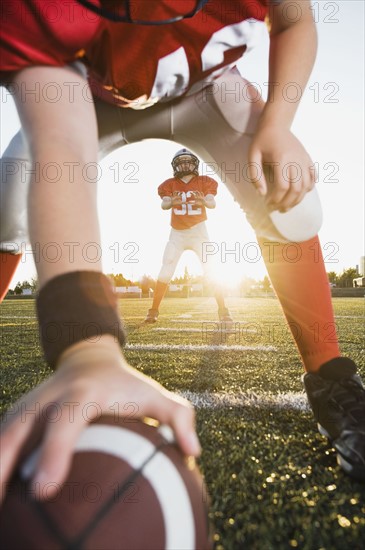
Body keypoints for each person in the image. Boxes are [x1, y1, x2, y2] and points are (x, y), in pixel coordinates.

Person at [0, 0, 364, 501]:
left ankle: (331, 380)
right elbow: (62, 148)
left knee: (291, 202)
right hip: (83, 95)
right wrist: (86, 346)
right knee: (9, 197)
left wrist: (278, 122)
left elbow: (295, 18)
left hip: (206, 90)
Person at [145, 148, 233, 323]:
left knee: (212, 269)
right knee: (166, 268)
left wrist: (204, 200)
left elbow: (212, 203)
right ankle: (153, 311)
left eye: (188, 161)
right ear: (176, 165)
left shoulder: (205, 181)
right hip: (177, 233)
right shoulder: (169, 184)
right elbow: (164, 205)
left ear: (194, 164)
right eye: (182, 161)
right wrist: (171, 201)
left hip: (199, 231)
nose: (185, 164)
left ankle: (223, 311)